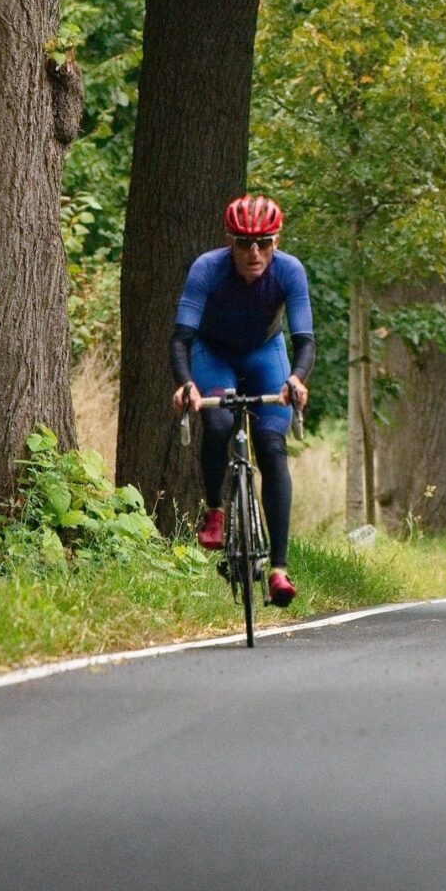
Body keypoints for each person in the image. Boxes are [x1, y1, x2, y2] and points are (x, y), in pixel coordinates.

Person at [171, 196, 313, 607]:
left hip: (266, 354)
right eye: (244, 243)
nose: (255, 253)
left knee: (272, 448)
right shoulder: (207, 269)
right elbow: (180, 338)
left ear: (276, 241)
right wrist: (187, 385)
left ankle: (279, 570)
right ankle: (215, 510)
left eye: (264, 243)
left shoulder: (289, 272)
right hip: (212, 353)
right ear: (229, 242)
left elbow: (305, 340)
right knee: (216, 423)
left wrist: (296, 379)